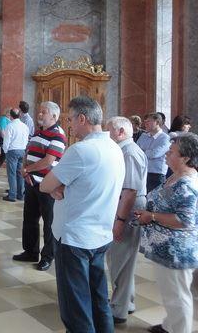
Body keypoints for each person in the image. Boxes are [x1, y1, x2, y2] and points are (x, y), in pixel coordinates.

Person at [40, 96, 125, 333]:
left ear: (82, 119)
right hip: (100, 235)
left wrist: (58, 187)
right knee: (99, 301)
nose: (69, 125)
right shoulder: (115, 148)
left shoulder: (80, 150)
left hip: (75, 239)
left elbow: (45, 185)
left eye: (70, 119)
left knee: (76, 309)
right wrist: (61, 187)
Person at [135, 133, 198, 333]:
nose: (166, 155)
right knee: (170, 293)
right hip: (166, 249)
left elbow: (185, 220)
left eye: (171, 152)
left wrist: (152, 216)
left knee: (178, 296)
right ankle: (170, 326)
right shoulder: (176, 175)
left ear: (185, 158)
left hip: (177, 251)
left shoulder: (187, 184)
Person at [13, 101, 67, 271]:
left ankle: (47, 256)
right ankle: (30, 252)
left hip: (48, 185)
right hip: (31, 182)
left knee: (49, 222)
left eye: (44, 112)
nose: (40, 114)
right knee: (29, 219)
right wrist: (25, 170)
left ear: (54, 116)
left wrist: (27, 169)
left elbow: (48, 161)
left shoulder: (58, 135)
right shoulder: (38, 132)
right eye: (40, 111)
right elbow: (28, 152)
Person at [105, 116, 148, 325]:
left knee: (120, 260)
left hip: (128, 209)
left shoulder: (129, 152)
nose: (106, 134)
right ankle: (126, 302)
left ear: (120, 132)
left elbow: (130, 191)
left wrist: (120, 220)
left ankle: (118, 310)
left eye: (109, 130)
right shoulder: (123, 150)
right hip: (124, 206)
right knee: (123, 260)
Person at [137, 113, 171, 193]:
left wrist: (142, 152)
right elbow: (136, 151)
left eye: (148, 121)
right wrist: (146, 152)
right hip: (142, 172)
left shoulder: (165, 138)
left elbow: (154, 154)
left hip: (156, 174)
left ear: (157, 122)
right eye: (145, 121)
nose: (145, 124)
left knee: (155, 197)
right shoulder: (143, 136)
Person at [2, 108, 29, 202]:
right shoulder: (25, 126)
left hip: (12, 151)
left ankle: (12, 195)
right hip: (22, 151)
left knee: (12, 174)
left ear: (10, 115)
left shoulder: (10, 126)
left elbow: (6, 141)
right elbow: (26, 139)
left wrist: (5, 151)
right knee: (20, 173)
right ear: (19, 115)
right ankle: (20, 195)